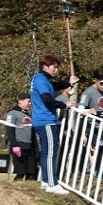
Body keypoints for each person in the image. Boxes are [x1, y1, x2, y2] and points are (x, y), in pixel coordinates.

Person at [30, 54, 78, 195]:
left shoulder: (43, 79)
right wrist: (64, 105)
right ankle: (52, 184)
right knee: (51, 152)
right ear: (45, 66)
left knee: (47, 152)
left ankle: (46, 181)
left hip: (42, 120)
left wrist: (69, 83)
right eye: (54, 67)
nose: (56, 70)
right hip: (45, 121)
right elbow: (47, 99)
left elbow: (55, 85)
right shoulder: (40, 80)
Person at [6, 93, 38, 181]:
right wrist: (14, 145)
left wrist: (35, 148)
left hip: (29, 146)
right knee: (21, 172)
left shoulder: (28, 115)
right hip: (19, 145)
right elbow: (9, 129)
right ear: (20, 101)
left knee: (31, 173)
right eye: (28, 101)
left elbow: (32, 133)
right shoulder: (12, 113)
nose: (30, 104)